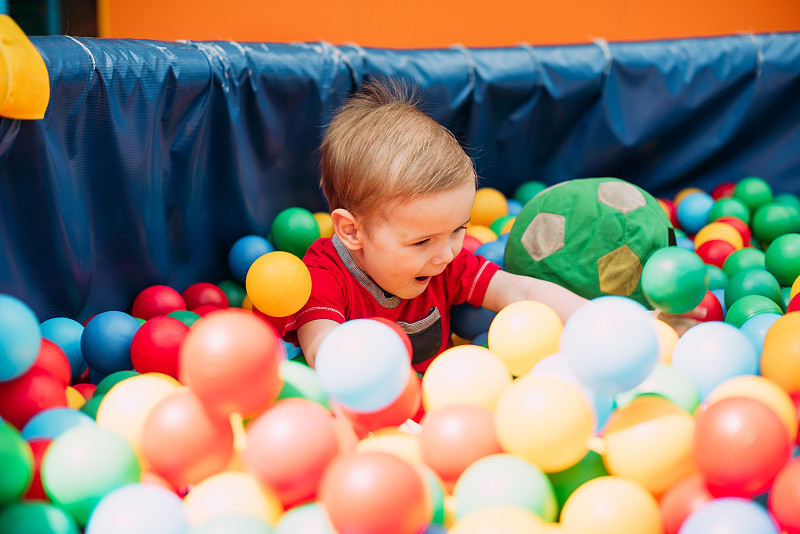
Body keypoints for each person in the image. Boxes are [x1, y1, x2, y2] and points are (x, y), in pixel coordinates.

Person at [269, 76, 590, 373]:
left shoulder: (445, 262)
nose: (446, 254)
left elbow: (521, 290)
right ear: (353, 231)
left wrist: (597, 320)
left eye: (458, 230)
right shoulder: (325, 278)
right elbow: (321, 349)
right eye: (421, 242)